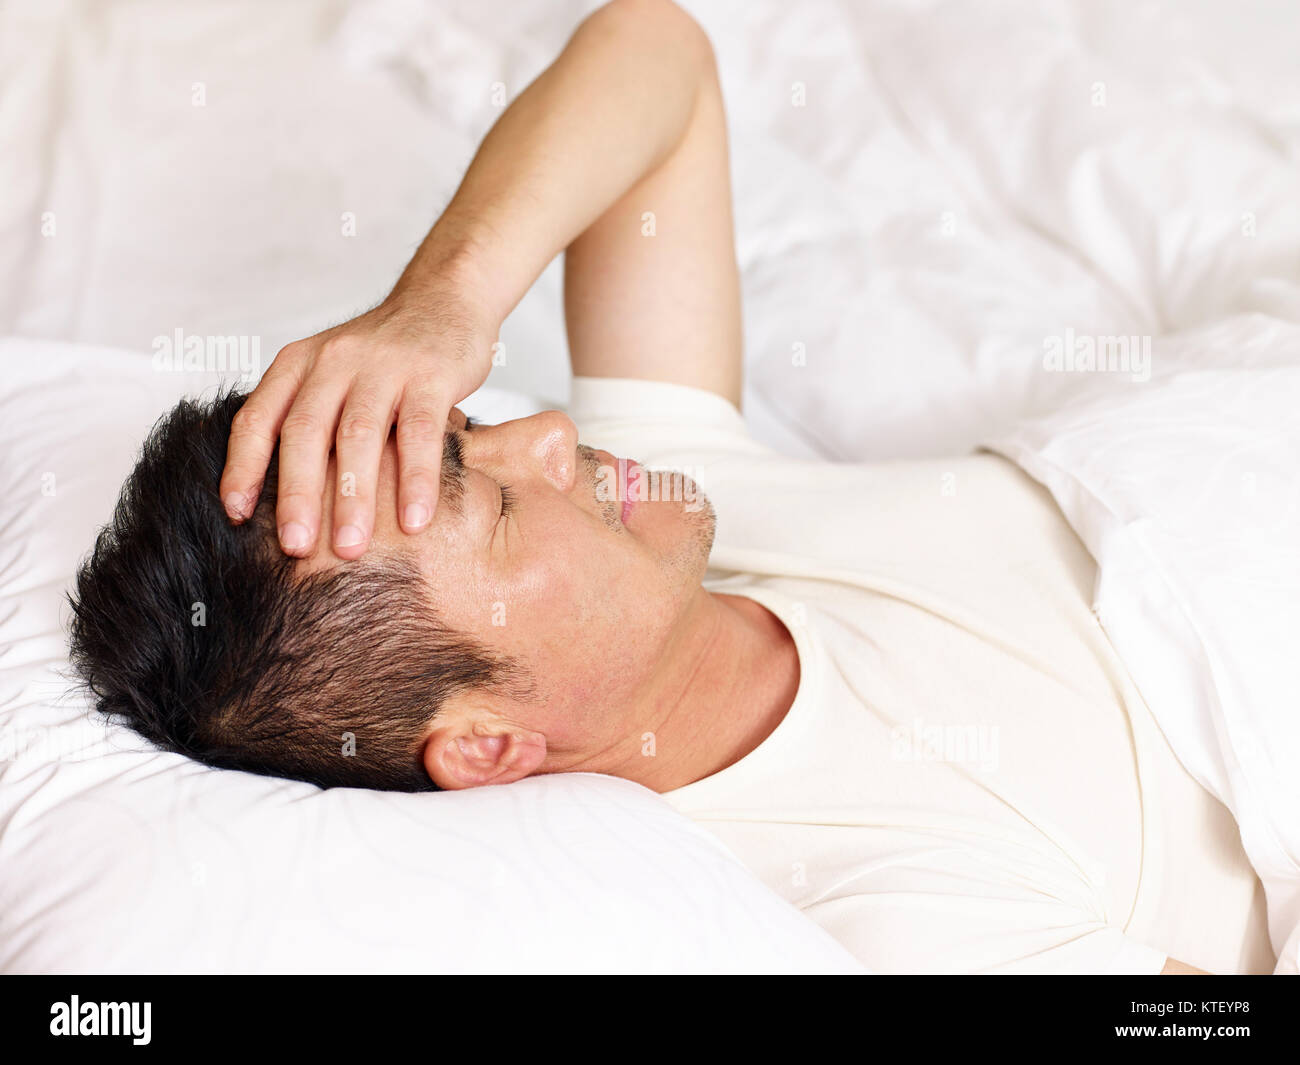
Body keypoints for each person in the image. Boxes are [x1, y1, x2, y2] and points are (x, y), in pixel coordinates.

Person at [68, 0, 1265, 974]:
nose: (542, 433)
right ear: (486, 748)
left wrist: (444, 303)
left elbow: (656, 52)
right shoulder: (874, 895)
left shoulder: (683, 521)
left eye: (468, 427)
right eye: (489, 505)